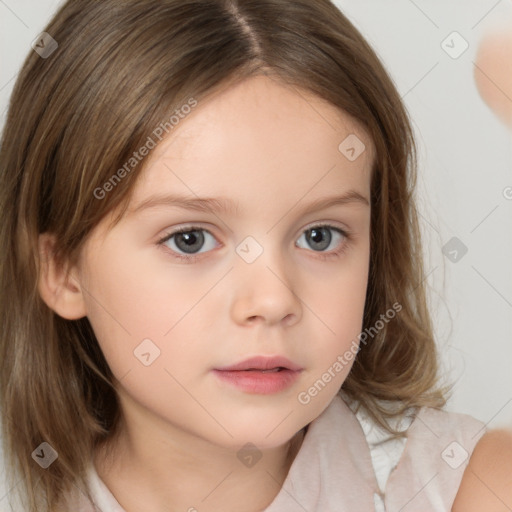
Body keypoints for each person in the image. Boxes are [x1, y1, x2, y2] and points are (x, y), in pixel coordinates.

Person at [0, 1, 510, 511]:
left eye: (320, 236)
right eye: (190, 239)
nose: (271, 300)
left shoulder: (474, 489)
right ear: (62, 269)